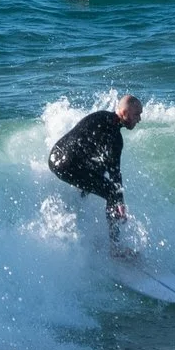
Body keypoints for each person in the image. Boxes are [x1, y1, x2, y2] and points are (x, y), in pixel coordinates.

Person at [48, 95, 142, 241]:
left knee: (99, 170)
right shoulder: (115, 136)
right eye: (137, 114)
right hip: (68, 165)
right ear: (124, 112)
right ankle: (116, 247)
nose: (139, 119)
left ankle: (76, 202)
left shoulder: (100, 116)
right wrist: (120, 202)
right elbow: (115, 172)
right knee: (111, 193)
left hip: (55, 157)